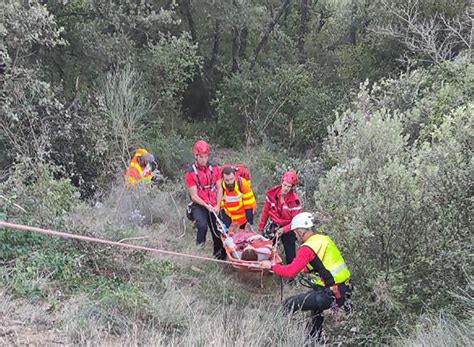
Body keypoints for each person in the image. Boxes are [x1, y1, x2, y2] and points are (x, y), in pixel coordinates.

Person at [260, 212, 352, 342]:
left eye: (295, 232)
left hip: (330, 294)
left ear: (300, 231)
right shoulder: (324, 239)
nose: (295, 236)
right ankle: (315, 340)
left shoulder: (307, 248)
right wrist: (301, 268)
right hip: (344, 290)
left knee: (289, 304)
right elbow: (321, 263)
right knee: (316, 310)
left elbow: (291, 272)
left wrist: (271, 266)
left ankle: (277, 337)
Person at [184, 140, 226, 260]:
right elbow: (194, 196)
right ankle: (199, 254)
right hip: (199, 204)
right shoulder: (190, 172)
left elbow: (219, 188)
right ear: (196, 156)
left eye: (205, 156)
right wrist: (207, 206)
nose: (203, 159)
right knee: (202, 226)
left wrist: (217, 205)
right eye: (201, 157)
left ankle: (220, 257)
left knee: (218, 230)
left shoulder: (215, 168)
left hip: (214, 203)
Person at [258, 171, 302, 264]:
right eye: (285, 185)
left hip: (288, 227)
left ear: (292, 187)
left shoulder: (295, 202)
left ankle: (291, 274)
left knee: (291, 256)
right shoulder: (272, 195)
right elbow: (265, 212)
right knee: (264, 249)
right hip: (274, 223)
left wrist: (284, 230)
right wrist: (261, 228)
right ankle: (264, 268)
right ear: (281, 182)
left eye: (289, 186)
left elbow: (295, 222)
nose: (286, 188)